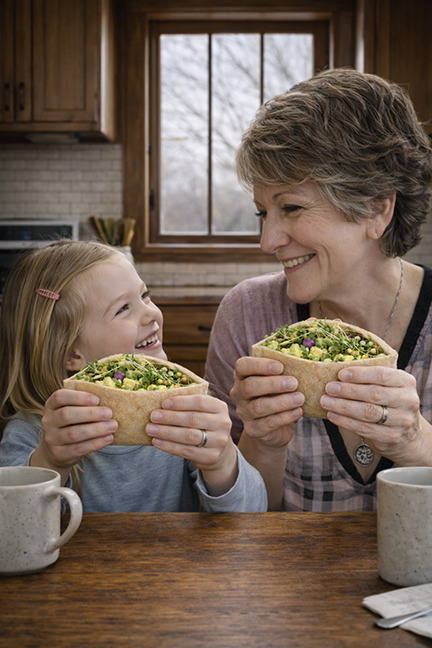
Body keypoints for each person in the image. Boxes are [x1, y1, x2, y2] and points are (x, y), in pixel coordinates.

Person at [205, 67, 432, 511]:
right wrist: (264, 444)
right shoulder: (248, 315)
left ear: (375, 208)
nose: (268, 241)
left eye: (290, 207)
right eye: (262, 213)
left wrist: (416, 441)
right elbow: (233, 528)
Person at [0, 239, 267, 513]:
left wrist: (221, 463)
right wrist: (50, 461)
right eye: (123, 309)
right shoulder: (31, 434)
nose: (151, 312)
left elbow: (253, 514)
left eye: (144, 295)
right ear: (70, 353)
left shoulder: (183, 414)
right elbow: (12, 533)